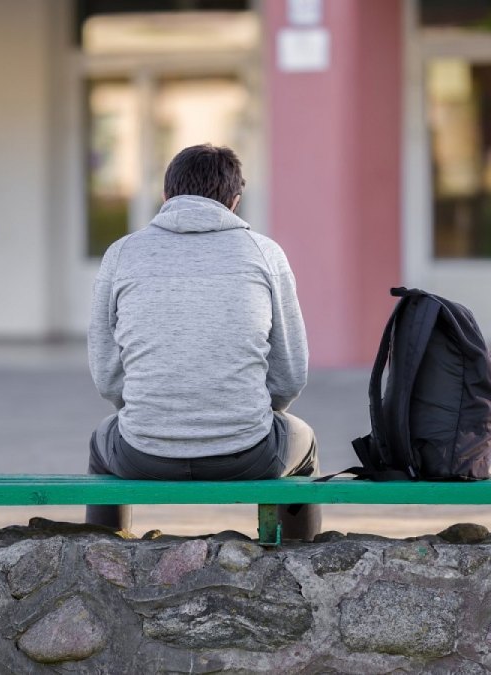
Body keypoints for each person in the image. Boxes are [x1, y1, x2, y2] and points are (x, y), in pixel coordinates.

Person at [85, 143, 320, 540]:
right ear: (235, 201)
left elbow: (107, 376)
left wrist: (155, 414)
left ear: (166, 197)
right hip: (249, 453)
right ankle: (298, 563)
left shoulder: (122, 254)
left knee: (101, 441)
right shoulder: (264, 254)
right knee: (306, 442)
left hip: (142, 454)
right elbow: (290, 375)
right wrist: (253, 414)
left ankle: (107, 560)